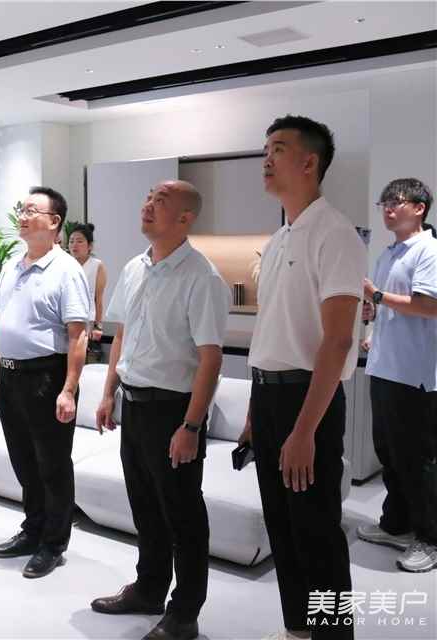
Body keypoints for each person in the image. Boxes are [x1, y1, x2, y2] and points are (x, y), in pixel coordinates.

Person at [242, 115, 365, 639]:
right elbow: (271, 330)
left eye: (278, 148)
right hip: (269, 396)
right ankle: (298, 630)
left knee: (316, 531)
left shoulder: (335, 233)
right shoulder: (279, 238)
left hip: (307, 400)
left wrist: (304, 430)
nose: (266, 159)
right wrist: (255, 412)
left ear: (309, 162)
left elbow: (337, 342)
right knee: (283, 527)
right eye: (266, 149)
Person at [89, 181, 229, 640]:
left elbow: (210, 359)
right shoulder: (135, 267)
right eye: (148, 197)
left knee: (182, 514)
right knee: (145, 506)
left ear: (186, 218)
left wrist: (191, 425)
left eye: (160, 201)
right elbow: (123, 335)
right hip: (134, 404)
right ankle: (148, 588)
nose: (147, 205)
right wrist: (109, 392)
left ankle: (185, 612)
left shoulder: (202, 277)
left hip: (173, 410)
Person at [0, 186, 92, 579]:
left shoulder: (66, 270)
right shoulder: (12, 265)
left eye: (32, 211)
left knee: (52, 464)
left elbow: (78, 335)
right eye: (22, 210)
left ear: (54, 222)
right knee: (24, 460)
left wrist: (68, 389)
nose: (23, 217)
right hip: (11, 377)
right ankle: (33, 529)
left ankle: (53, 543)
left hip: (47, 376)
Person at [357, 178, 437, 573]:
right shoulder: (389, 253)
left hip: (415, 374)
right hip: (385, 367)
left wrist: (376, 296)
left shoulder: (429, 250)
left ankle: (431, 539)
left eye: (396, 202)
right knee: (389, 453)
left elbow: (427, 306)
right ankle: (397, 524)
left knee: (418, 460)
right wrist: (372, 321)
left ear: (419, 208)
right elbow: (389, 306)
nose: (388, 209)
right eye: (384, 202)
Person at [68, 223, 108, 362]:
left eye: (79, 241)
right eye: (71, 241)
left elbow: (99, 299)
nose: (74, 245)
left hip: (87, 320)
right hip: (67, 320)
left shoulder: (97, 265)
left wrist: (98, 326)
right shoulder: (65, 264)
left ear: (89, 246)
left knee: (83, 361)